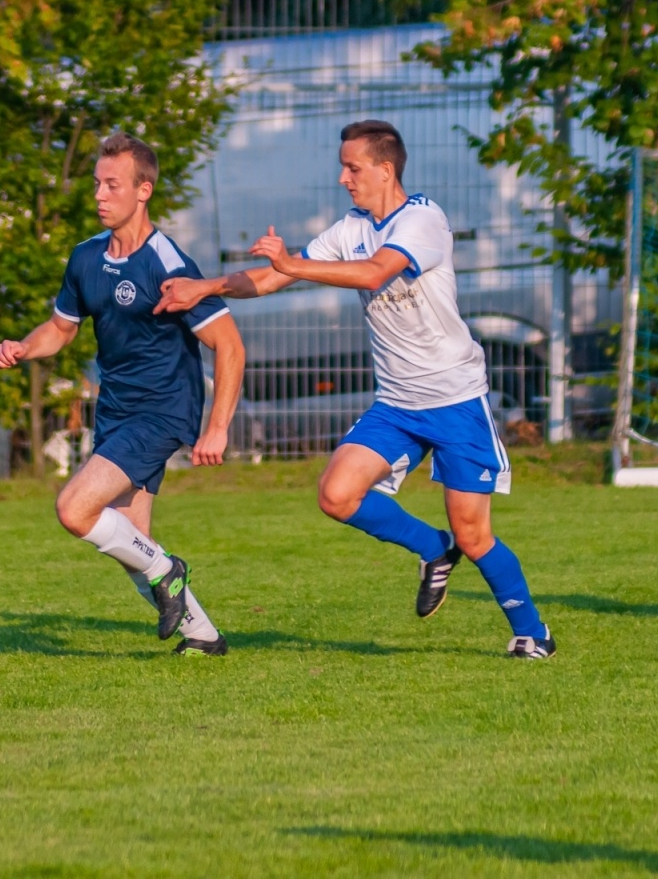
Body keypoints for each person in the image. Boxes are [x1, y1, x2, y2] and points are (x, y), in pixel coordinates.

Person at [158, 119, 553, 657]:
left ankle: (533, 633)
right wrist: (203, 286)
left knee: (474, 535)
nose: (344, 178)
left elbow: (373, 274)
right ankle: (433, 549)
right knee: (337, 495)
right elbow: (274, 278)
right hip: (396, 404)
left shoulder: (423, 219)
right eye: (343, 168)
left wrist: (294, 263)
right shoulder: (351, 228)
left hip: (455, 401)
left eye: (353, 168)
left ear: (385, 170)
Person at [0, 131, 244, 655]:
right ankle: (203, 636)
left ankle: (168, 571)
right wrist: (24, 346)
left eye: (112, 185)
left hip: (163, 409)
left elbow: (229, 345)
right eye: (96, 184)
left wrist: (217, 427)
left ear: (143, 190)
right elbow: (60, 329)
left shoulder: (167, 263)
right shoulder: (86, 258)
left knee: (74, 509)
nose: (99, 195)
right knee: (132, 541)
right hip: (115, 409)